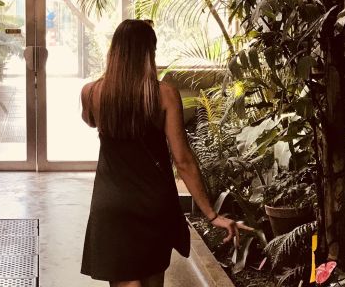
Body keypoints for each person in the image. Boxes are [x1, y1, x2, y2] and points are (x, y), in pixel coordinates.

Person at [80, 19, 252, 287]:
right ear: (149, 53)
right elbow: (182, 160)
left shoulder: (92, 92)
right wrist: (212, 214)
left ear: (114, 52)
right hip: (153, 206)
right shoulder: (164, 95)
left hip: (112, 206)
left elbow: (90, 120)